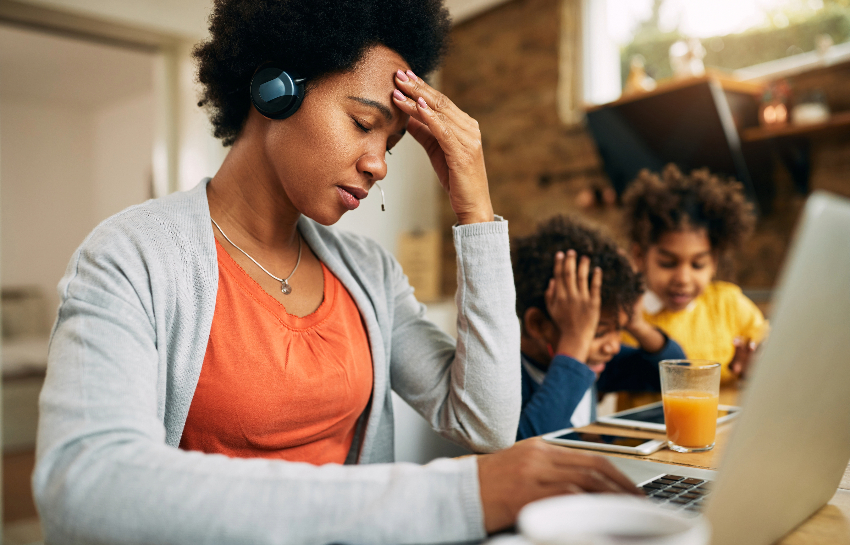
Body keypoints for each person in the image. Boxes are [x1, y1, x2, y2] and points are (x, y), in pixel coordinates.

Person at [33, 1, 640, 543]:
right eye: (362, 123)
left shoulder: (368, 273)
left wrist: (475, 209)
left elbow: (487, 421)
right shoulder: (130, 256)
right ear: (275, 91)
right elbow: (84, 485)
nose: (378, 165)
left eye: (392, 143)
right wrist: (455, 496)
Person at [513, 216, 685, 440]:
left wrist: (636, 324)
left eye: (620, 329)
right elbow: (529, 442)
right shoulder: (510, 378)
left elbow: (677, 375)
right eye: (597, 333)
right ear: (537, 324)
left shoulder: (594, 360)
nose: (613, 346)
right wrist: (575, 347)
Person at [622, 164, 767, 384]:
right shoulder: (628, 317)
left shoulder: (729, 305)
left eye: (698, 264)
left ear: (714, 261)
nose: (683, 278)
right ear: (639, 256)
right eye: (667, 263)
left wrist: (758, 366)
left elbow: (776, 353)